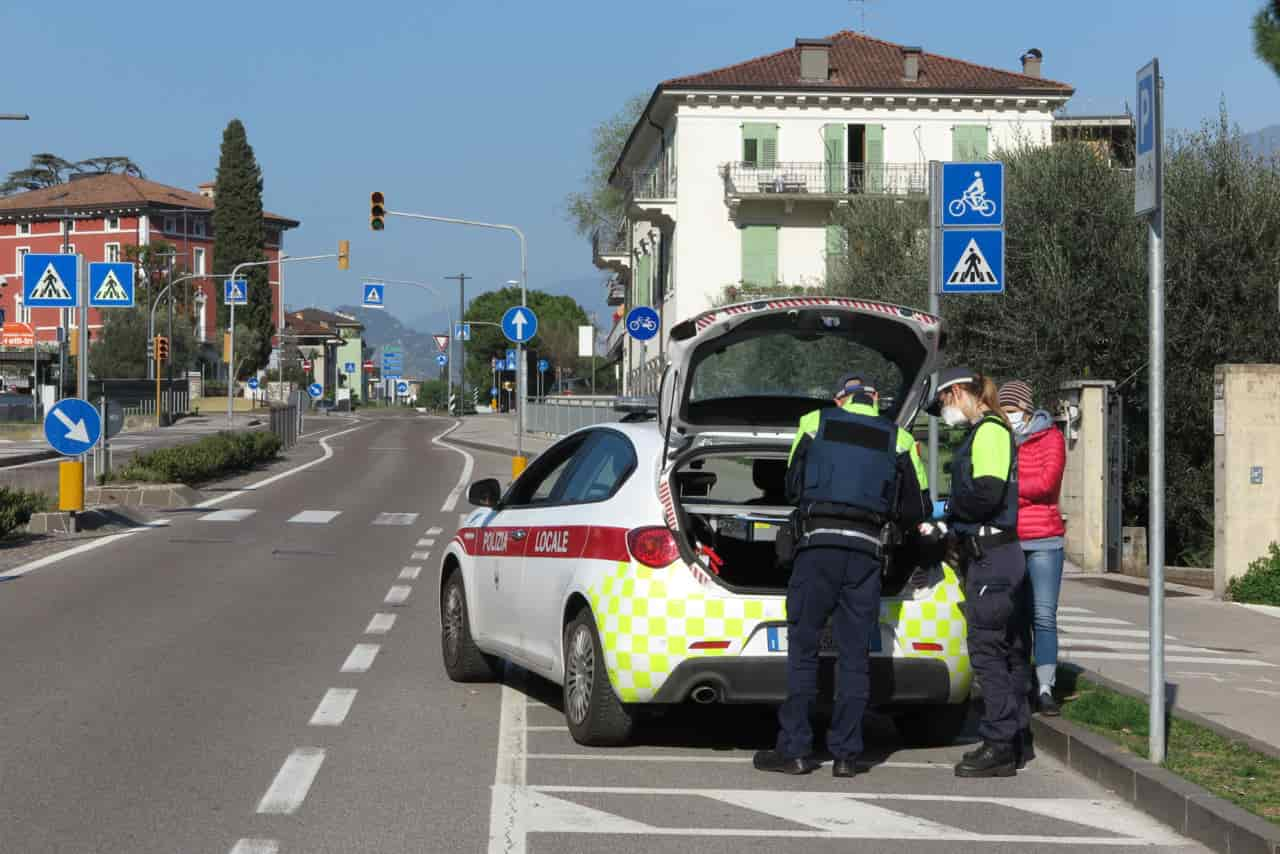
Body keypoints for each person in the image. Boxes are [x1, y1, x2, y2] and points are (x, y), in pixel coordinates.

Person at [753, 374, 928, 778]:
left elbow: (792, 485)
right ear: (875, 400)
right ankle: (848, 755)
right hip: (865, 555)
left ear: (840, 399)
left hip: (817, 550)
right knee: (854, 656)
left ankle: (795, 750)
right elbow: (916, 508)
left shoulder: (815, 422)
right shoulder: (898, 437)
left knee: (804, 650)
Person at [924, 367, 1029, 778]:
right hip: (995, 554)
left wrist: (947, 511)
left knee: (987, 652)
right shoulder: (988, 431)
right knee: (1009, 652)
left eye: (944, 401)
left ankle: (1000, 744)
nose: (944, 411)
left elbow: (986, 492)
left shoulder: (989, 432)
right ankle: (1014, 736)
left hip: (992, 556)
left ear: (958, 392)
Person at [999, 380, 1067, 717]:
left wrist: (1008, 490)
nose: (1007, 417)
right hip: (1009, 539)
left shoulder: (1050, 437)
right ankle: (1019, 683)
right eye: (1003, 411)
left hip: (1044, 541)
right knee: (1014, 616)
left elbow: (1046, 484)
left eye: (1010, 411)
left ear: (1026, 410)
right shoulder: (999, 439)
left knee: (1043, 615)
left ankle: (1046, 687)